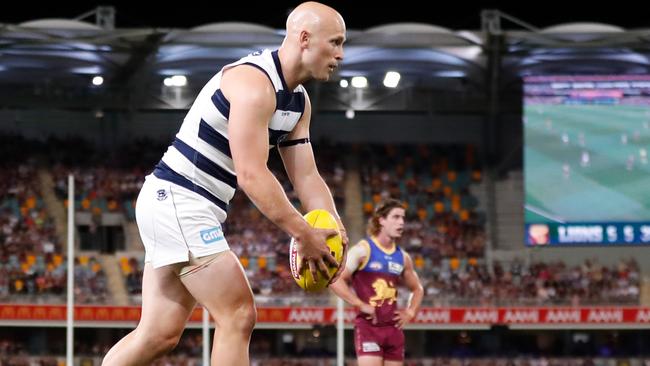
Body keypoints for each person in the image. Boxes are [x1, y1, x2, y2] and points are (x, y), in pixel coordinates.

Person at [102, 2, 348, 365]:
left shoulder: (298, 101)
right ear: (305, 38)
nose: (341, 54)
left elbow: (306, 175)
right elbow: (252, 174)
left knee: (158, 335)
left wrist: (333, 228)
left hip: (178, 203)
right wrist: (303, 232)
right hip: (179, 200)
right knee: (238, 314)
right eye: (337, 42)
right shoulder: (253, 85)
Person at [329, 199, 423, 366]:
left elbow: (417, 289)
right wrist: (360, 304)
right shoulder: (363, 250)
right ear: (381, 220)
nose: (401, 222)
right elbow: (335, 280)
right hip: (369, 327)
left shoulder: (403, 257)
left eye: (403, 218)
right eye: (396, 217)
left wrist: (410, 312)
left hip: (393, 329)